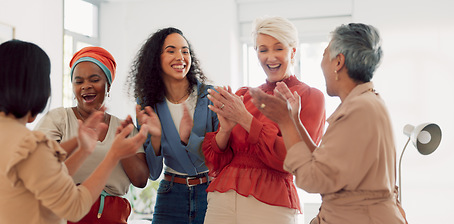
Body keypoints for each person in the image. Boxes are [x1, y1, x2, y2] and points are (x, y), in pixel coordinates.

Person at [249, 23, 408, 224]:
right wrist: (294, 120)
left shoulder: (359, 110)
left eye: (325, 54)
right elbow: (324, 162)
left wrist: (285, 122)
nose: (322, 63)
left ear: (338, 62)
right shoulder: (366, 103)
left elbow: (313, 178)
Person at [0, 40, 148, 224]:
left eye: (94, 80)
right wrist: (113, 156)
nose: (86, 86)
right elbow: (75, 206)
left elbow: (48, 172)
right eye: (78, 81)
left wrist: (81, 146)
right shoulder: (31, 144)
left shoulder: (18, 141)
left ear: (108, 85)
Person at [202, 16, 326, 224]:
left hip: (270, 205)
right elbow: (216, 162)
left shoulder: (309, 97)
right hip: (221, 201)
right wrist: (225, 130)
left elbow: (292, 159)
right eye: (263, 49)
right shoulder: (243, 96)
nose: (270, 57)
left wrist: (245, 118)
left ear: (293, 51)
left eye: (278, 48)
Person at [128, 27, 219, 223]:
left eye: (185, 51)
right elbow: (152, 173)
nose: (180, 57)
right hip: (170, 194)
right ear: (156, 59)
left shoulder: (210, 96)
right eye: (171, 51)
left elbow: (222, 156)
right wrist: (157, 138)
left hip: (211, 193)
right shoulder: (147, 104)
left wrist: (190, 140)